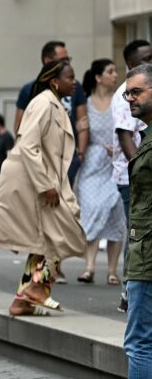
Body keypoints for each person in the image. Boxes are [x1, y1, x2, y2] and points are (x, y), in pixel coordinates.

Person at [0, 60, 87, 316]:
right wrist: (45, 184)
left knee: (47, 239)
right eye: (70, 77)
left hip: (42, 179)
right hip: (35, 181)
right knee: (62, 233)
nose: (75, 82)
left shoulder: (53, 103)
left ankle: (23, 299)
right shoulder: (44, 103)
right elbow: (28, 144)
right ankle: (35, 289)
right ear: (54, 81)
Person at [76, 58, 126, 285]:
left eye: (115, 71)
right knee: (91, 209)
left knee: (116, 212)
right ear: (98, 77)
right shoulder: (84, 104)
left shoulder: (122, 101)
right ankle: (89, 267)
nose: (115, 75)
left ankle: (112, 270)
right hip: (92, 164)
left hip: (117, 161)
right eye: (110, 71)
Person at [14, 40, 89, 187]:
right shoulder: (43, 102)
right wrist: (45, 184)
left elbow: (83, 123)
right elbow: (23, 137)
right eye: (63, 60)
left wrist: (79, 155)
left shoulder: (64, 94)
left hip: (66, 157)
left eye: (69, 59)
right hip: (42, 161)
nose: (68, 63)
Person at [113, 39, 152, 312]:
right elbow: (125, 135)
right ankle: (131, 289)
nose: (149, 62)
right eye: (144, 58)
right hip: (132, 176)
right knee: (137, 232)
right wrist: (139, 167)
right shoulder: (126, 94)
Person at [123, 63, 152, 378]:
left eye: (137, 92)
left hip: (147, 256)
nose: (130, 98)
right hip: (141, 251)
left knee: (140, 344)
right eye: (127, 93)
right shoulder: (145, 137)